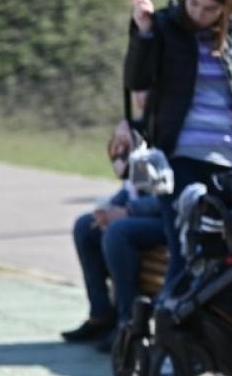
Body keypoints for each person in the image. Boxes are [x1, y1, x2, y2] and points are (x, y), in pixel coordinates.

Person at [125, 0, 232, 289]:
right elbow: (136, 79)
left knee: (227, 252)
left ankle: (208, 321)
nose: (198, 13)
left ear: (225, 8)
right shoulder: (164, 25)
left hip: (229, 161)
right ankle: (169, 317)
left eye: (210, 9)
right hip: (178, 157)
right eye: (193, 2)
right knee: (186, 252)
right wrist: (143, 32)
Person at [63, 118, 169, 350]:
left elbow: (165, 200)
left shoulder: (161, 153)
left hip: (167, 222)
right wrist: (107, 210)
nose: (119, 148)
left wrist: (127, 212)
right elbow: (128, 192)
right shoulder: (137, 163)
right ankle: (100, 314)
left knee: (118, 232)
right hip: (141, 221)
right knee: (86, 226)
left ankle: (128, 322)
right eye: (116, 142)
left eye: (124, 142)